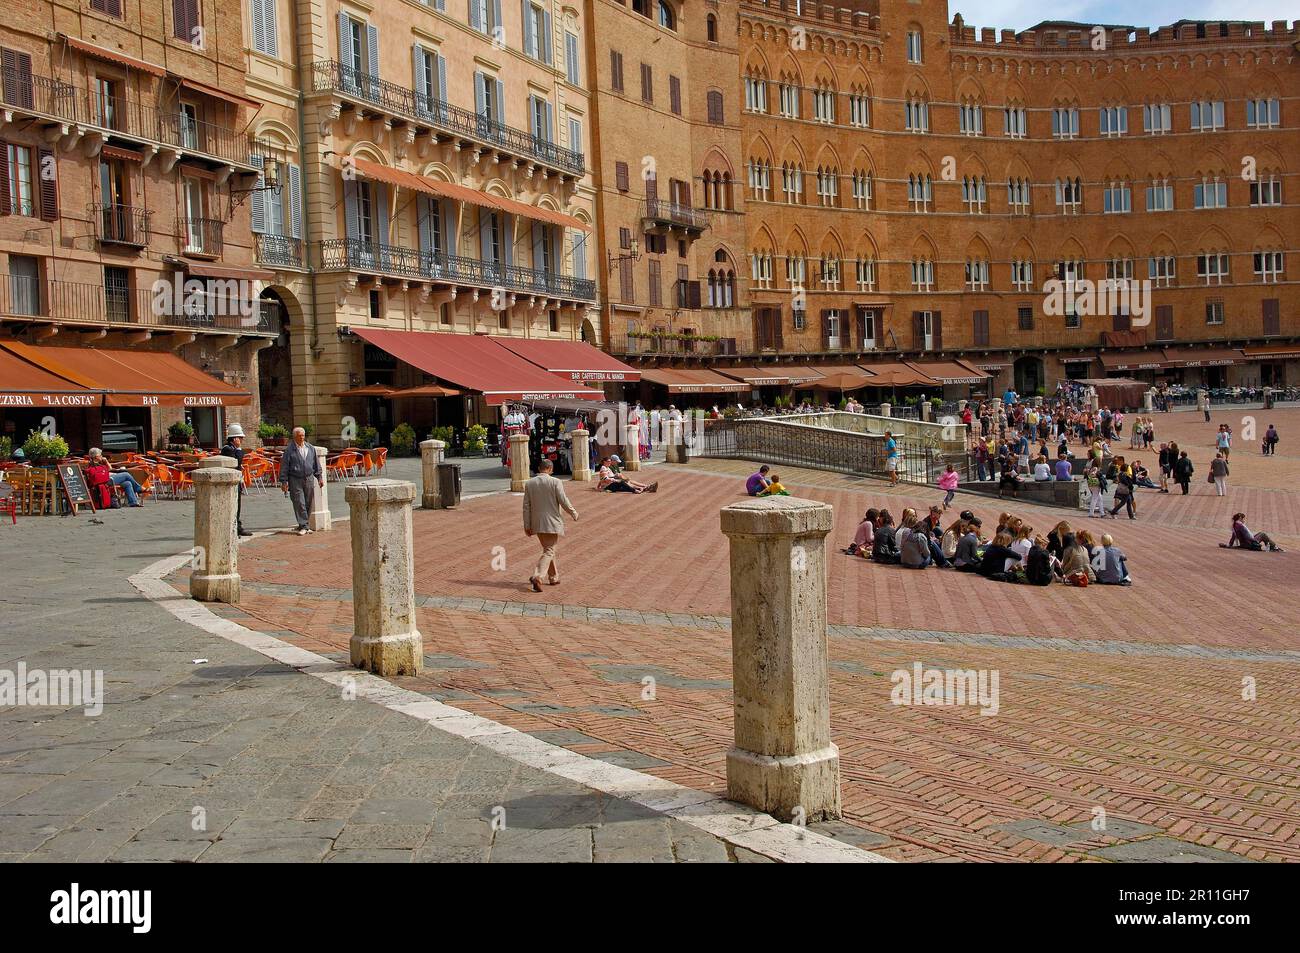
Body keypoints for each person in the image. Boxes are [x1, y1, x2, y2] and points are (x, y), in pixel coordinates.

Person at [522, 458, 579, 592]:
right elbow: (563, 499)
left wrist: (527, 524)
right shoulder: (555, 482)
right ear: (550, 469)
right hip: (552, 522)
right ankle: (538, 576)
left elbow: (526, 506)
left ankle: (553, 577)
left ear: (539, 469)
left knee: (548, 548)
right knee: (549, 550)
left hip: (536, 522)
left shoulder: (530, 483)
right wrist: (573, 512)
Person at [279, 426, 323, 535]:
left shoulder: (310, 448)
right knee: (299, 502)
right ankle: (304, 525)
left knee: (308, 502)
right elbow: (284, 466)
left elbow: (316, 464)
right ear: (294, 437)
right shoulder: (289, 450)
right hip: (295, 478)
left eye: (303, 435)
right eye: (299, 436)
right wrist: (284, 481)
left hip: (308, 478)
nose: (302, 438)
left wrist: (319, 477)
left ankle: (303, 525)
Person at [221, 423, 253, 537]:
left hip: (236, 480)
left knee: (237, 505)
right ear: (234, 438)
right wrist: (239, 448)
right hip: (231, 482)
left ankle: (237, 527)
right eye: (240, 438)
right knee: (234, 505)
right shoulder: (228, 449)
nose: (242, 440)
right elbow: (237, 461)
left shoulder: (231, 448)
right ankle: (234, 528)